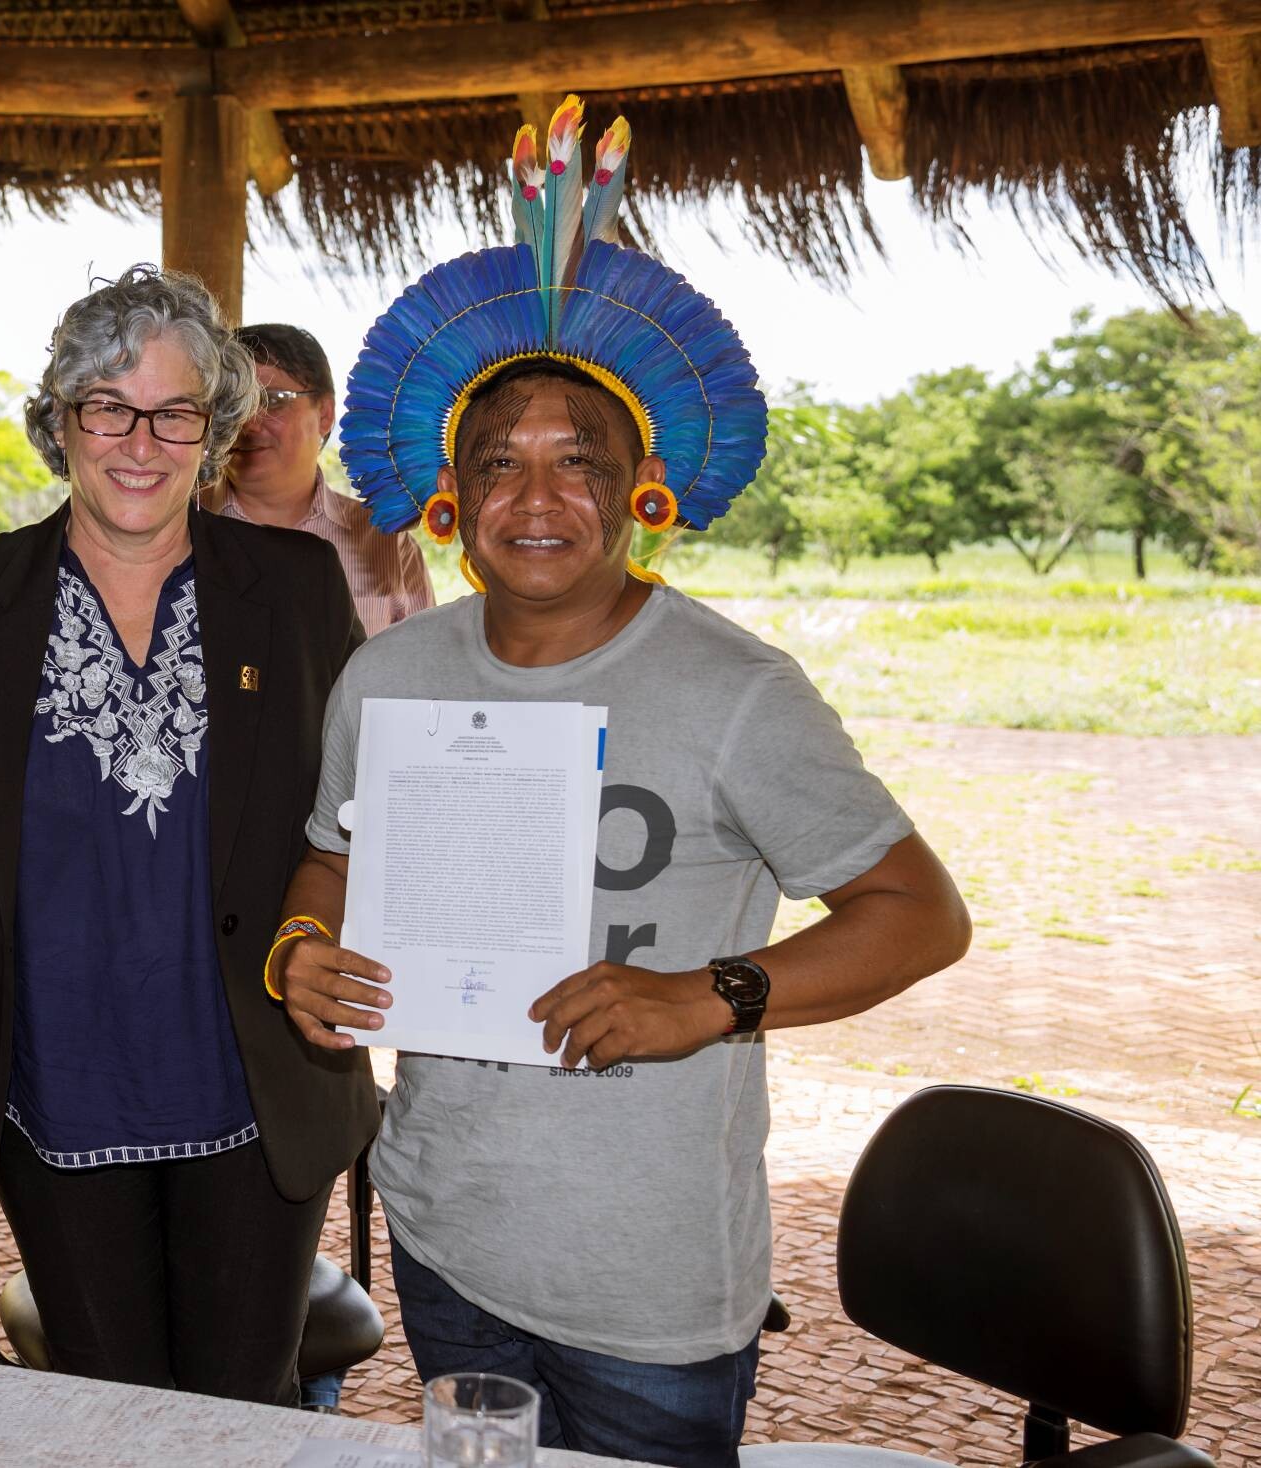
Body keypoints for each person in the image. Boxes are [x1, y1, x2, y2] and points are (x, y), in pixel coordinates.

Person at [271, 103, 971, 1467]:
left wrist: (711, 997)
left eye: (575, 462)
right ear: (448, 501)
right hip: (444, 1231)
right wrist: (305, 947)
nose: (537, 498)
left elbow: (919, 912)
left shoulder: (734, 691)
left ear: (641, 485)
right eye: (500, 466)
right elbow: (331, 856)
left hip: (649, 1282)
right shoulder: (391, 676)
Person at [0, 266, 379, 1406]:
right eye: (106, 407)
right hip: (50, 1079)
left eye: (175, 413)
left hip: (250, 1078)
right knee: (104, 1406)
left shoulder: (299, 587)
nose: (138, 441)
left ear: (216, 431)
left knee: (239, 1406)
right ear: (58, 419)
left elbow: (367, 809)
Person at [209, 322, 433, 635]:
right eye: (232, 404)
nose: (249, 423)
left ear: (325, 414)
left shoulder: (386, 545)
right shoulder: (181, 529)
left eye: (272, 400)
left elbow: (421, 672)